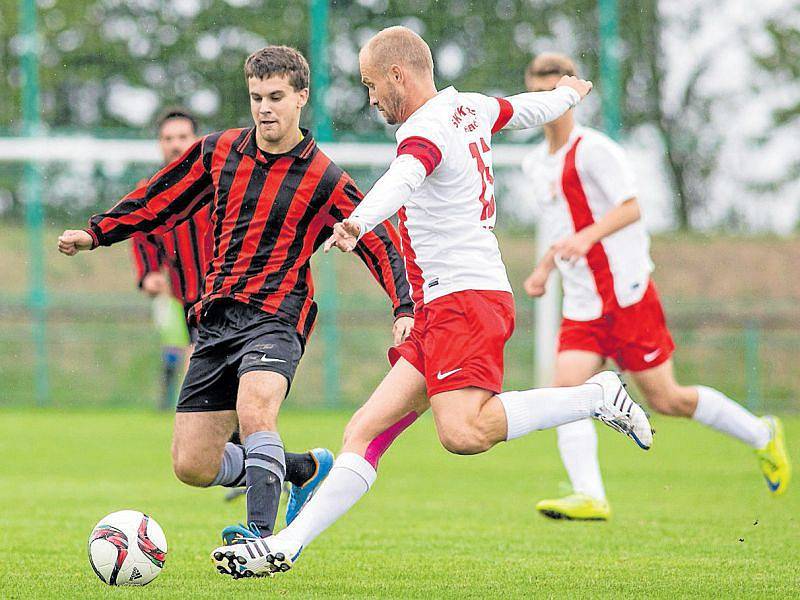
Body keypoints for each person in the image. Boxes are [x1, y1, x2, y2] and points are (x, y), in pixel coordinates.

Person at [210, 27, 654, 579]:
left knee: (463, 434)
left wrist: (356, 222)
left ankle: (594, 395)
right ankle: (284, 548)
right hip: (442, 303)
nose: (371, 98)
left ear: (399, 75)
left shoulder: (423, 129)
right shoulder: (467, 107)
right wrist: (569, 94)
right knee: (364, 432)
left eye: (373, 85)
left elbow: (405, 176)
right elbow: (525, 108)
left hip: (464, 299)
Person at [57, 45, 414, 552]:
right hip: (216, 318)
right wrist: (97, 234)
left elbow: (378, 239)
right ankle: (302, 469)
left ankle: (259, 538)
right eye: (256, 98)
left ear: (300, 99)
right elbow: (159, 200)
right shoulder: (218, 151)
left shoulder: (325, 177)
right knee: (193, 465)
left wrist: (403, 307)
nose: (265, 107)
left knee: (256, 410)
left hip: (277, 315)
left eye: (275, 97)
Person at [519, 53, 790, 521]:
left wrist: (587, 237)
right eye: (537, 94)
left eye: (553, 94)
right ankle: (591, 495)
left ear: (569, 96)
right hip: (584, 304)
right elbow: (562, 228)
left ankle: (762, 434)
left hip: (626, 294)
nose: (546, 103)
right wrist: (545, 267)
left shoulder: (596, 150)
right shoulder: (533, 165)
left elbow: (631, 208)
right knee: (565, 390)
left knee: (667, 399)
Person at [130, 108, 212, 408]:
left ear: (197, 140)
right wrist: (149, 272)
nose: (175, 144)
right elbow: (142, 237)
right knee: (194, 360)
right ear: (159, 143)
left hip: (222, 293)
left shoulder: (217, 184)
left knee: (206, 365)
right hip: (182, 296)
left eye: (182, 137)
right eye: (168, 138)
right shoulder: (149, 191)